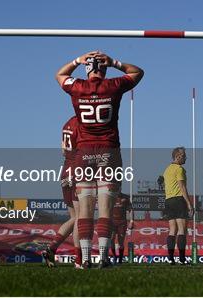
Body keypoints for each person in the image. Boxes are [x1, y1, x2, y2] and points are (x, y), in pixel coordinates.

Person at [56, 51, 144, 268]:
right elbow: (138, 72)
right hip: (109, 152)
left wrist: (78, 60)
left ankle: (85, 258)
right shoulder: (113, 85)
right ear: (104, 70)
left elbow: (59, 74)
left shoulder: (77, 87)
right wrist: (114, 62)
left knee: (84, 210)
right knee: (105, 208)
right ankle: (103, 257)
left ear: (86, 70)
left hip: (83, 154)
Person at [41, 116, 82, 268]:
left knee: (73, 218)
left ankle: (51, 248)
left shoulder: (67, 124)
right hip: (78, 171)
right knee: (80, 218)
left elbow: (63, 151)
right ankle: (79, 260)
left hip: (65, 170)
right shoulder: (84, 123)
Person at [163, 147, 194, 265]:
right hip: (178, 199)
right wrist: (189, 203)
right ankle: (182, 259)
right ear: (178, 156)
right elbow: (182, 187)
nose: (186, 157)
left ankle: (170, 258)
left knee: (172, 230)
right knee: (182, 230)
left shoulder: (167, 169)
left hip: (168, 200)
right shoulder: (179, 169)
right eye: (184, 155)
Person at [110, 192, 134, 264]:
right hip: (112, 221)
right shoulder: (110, 196)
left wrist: (131, 221)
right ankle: (114, 256)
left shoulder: (125, 197)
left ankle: (120, 259)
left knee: (121, 241)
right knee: (111, 239)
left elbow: (131, 210)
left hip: (122, 222)